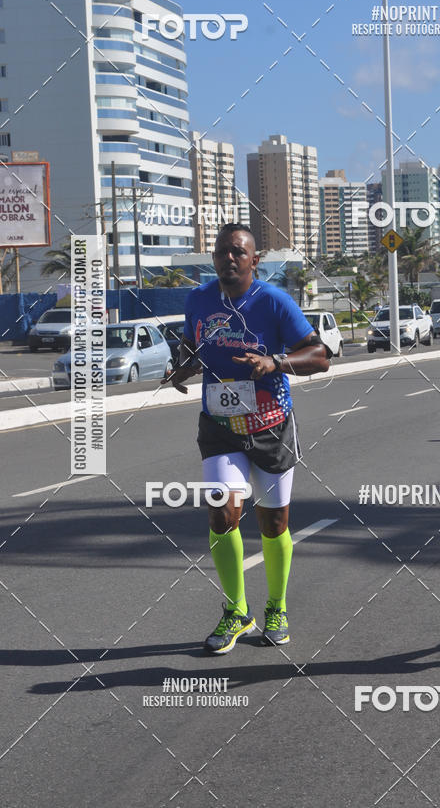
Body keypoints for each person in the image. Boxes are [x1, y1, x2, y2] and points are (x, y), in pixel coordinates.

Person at [164, 224, 330, 654]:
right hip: (219, 424)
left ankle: (276, 606)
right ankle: (237, 610)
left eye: (238, 252)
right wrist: (181, 367)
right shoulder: (198, 299)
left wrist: (275, 362)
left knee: (273, 523)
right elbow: (192, 344)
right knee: (222, 512)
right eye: (222, 252)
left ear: (255, 260)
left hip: (271, 425)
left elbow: (320, 356)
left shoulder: (274, 301)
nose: (229, 258)